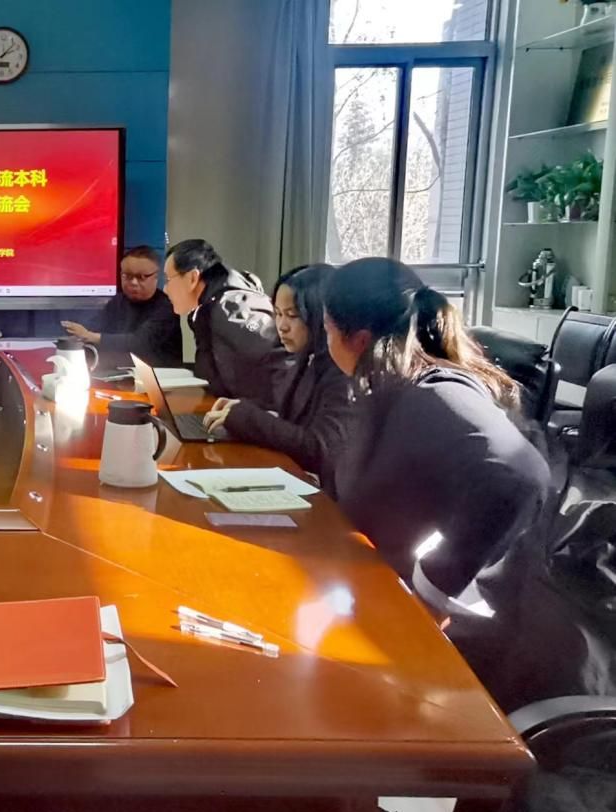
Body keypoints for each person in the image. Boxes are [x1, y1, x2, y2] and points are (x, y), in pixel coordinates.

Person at [323, 257, 551, 614]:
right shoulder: (388, 390)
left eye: (327, 329)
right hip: (368, 595)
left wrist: (433, 588)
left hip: (420, 625)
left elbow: (520, 475)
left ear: (359, 339)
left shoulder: (433, 394)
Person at [202, 265, 353, 485]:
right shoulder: (306, 355)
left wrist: (247, 418)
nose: (281, 326)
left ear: (322, 317)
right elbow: (286, 409)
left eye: (292, 316)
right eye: (278, 314)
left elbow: (318, 449)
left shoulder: (342, 370)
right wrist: (241, 408)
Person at [163, 238, 289, 405]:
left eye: (168, 279)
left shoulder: (231, 308)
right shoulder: (208, 308)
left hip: (258, 416)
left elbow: (284, 360)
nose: (165, 289)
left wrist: (260, 413)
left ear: (192, 278)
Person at [59, 245, 182, 367]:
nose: (133, 282)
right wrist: (76, 332)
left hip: (161, 375)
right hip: (122, 372)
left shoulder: (167, 307)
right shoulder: (118, 301)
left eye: (141, 277)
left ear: (156, 277)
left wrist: (90, 336)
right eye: (127, 276)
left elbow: (139, 343)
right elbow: (94, 327)